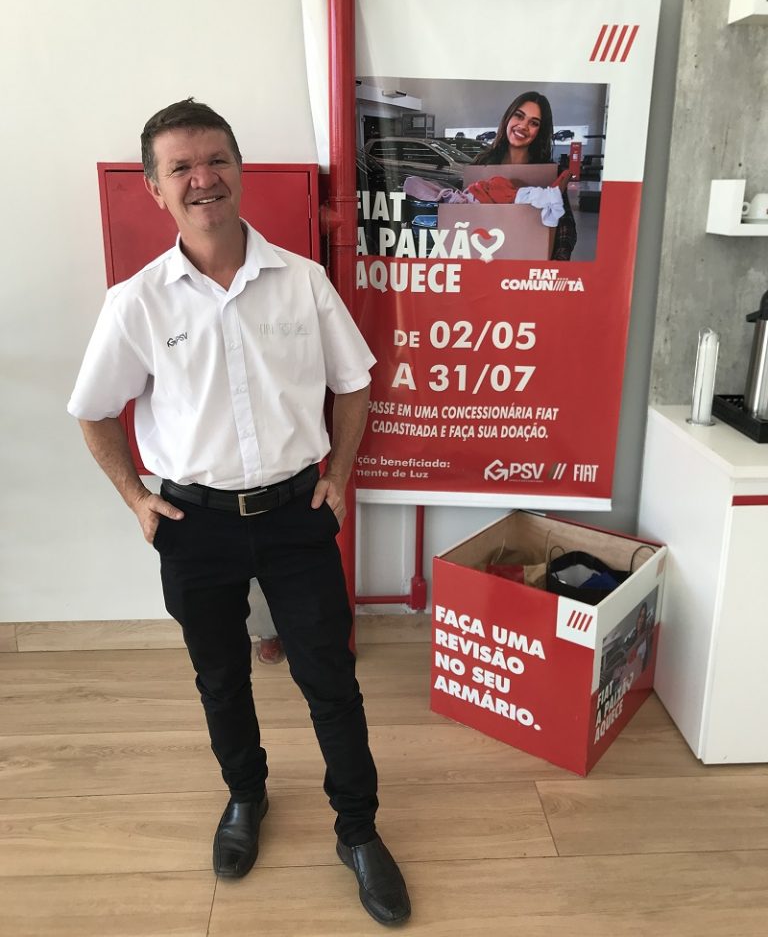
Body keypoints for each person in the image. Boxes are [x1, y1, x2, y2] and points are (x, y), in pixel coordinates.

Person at [67, 98, 410, 927]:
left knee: (330, 677)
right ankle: (246, 795)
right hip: (195, 525)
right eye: (181, 167)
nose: (202, 179)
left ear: (239, 170)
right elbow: (93, 411)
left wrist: (341, 476)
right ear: (155, 188)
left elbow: (354, 382)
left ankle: (358, 828)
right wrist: (137, 498)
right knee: (220, 674)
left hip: (296, 513)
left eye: (215, 159)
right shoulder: (137, 302)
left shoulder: (303, 281)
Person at [474, 90, 577, 260]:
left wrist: (556, 263)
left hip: (528, 268)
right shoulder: (481, 164)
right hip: (485, 260)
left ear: (540, 131)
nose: (523, 126)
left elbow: (566, 228)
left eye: (534, 123)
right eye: (519, 116)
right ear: (508, 117)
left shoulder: (550, 173)